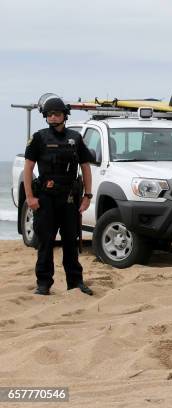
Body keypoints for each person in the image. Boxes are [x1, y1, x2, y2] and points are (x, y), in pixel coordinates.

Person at [24, 94, 94, 296]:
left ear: (65, 115)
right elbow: (29, 168)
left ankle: (75, 283)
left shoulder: (75, 138)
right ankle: (44, 284)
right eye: (50, 114)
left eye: (57, 113)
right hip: (45, 198)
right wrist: (30, 198)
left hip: (70, 199)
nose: (53, 117)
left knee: (71, 242)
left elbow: (85, 166)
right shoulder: (38, 138)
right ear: (46, 116)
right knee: (46, 242)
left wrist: (87, 196)